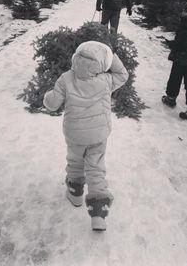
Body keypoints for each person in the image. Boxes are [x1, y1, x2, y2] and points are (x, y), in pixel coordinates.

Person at [43, 41, 129, 231]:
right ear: (101, 64)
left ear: (75, 59)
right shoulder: (106, 80)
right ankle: (99, 211)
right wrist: (111, 54)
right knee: (96, 167)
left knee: (75, 161)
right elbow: (123, 74)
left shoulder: (66, 78)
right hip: (98, 134)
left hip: (74, 134)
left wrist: (48, 96)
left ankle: (75, 194)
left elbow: (52, 103)